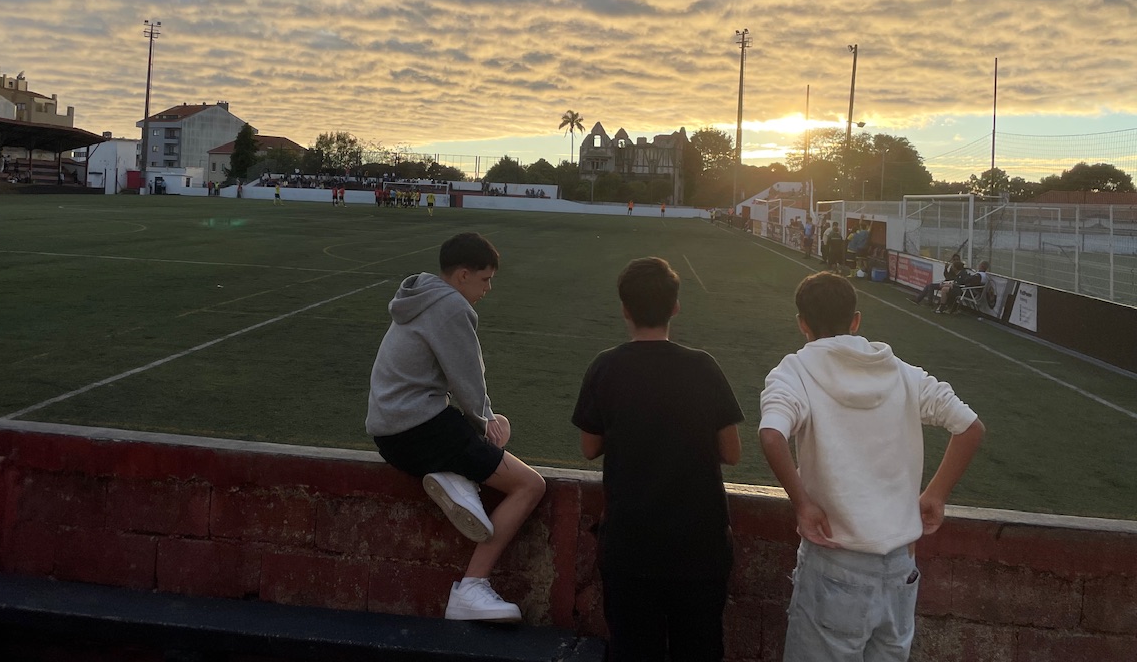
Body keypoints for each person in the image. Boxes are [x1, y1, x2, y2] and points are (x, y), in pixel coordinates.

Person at [759, 273, 985, 661]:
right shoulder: (903, 373)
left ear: (802, 323)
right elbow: (970, 428)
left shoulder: (795, 371)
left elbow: (771, 435)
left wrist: (802, 504)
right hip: (900, 569)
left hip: (835, 563)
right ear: (855, 321)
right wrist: (935, 495)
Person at [366, 233, 545, 623]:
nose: (488, 289)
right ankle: (471, 589)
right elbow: (467, 378)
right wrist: (485, 424)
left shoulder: (420, 296)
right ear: (463, 275)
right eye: (485, 279)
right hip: (421, 429)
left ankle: (455, 479)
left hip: (390, 435)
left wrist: (482, 423)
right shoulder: (451, 306)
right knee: (530, 485)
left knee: (487, 431)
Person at [573, 258, 743, 662]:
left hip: (630, 547)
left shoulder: (606, 366)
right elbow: (732, 452)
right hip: (700, 547)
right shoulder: (703, 367)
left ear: (624, 309)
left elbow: (589, 447)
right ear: (675, 307)